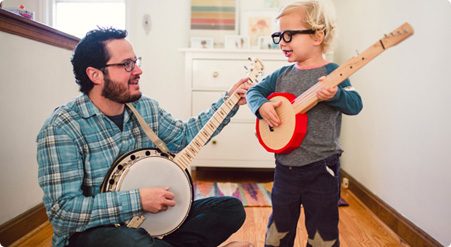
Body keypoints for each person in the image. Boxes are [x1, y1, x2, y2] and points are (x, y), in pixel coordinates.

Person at [37, 27, 255, 247]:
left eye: (136, 61)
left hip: (149, 225)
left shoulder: (144, 107)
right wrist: (138, 200)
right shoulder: (62, 128)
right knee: (133, 242)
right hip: (95, 235)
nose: (138, 70)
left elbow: (184, 137)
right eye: (126, 65)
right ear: (95, 75)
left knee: (230, 209)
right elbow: (63, 212)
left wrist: (228, 102)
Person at [245, 1, 363, 247]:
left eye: (288, 35)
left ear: (318, 35)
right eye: (278, 36)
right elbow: (253, 91)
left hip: (322, 168)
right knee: (280, 226)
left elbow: (355, 104)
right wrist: (261, 106)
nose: (282, 42)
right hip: (285, 167)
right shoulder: (282, 75)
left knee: (323, 230)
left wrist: (336, 95)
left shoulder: (334, 73)